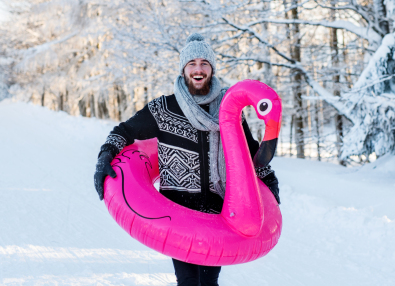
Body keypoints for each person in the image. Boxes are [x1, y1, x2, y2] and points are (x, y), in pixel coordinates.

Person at [94, 33, 280, 286]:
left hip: (218, 211)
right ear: (184, 70)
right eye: (192, 63)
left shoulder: (229, 108)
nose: (198, 68)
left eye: (204, 63)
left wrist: (268, 185)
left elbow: (248, 155)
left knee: (208, 282)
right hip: (177, 212)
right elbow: (123, 132)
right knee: (188, 281)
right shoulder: (163, 109)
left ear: (211, 69)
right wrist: (106, 155)